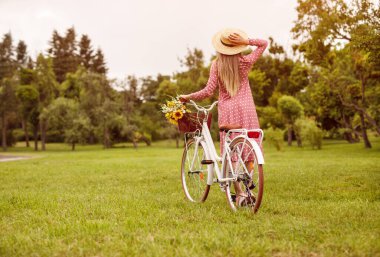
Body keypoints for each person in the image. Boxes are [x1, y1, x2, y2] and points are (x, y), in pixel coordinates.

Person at [180, 28, 268, 206]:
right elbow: (264, 43)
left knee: (231, 155)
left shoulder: (216, 65)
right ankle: (247, 182)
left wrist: (188, 97)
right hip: (247, 109)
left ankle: (241, 194)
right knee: (248, 151)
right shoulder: (244, 62)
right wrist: (246, 41)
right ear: (236, 47)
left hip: (228, 111)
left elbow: (208, 91)